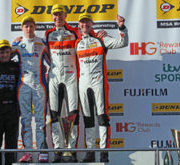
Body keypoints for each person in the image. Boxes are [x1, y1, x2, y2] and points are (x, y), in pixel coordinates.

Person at [75, 13, 129, 162]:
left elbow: (122, 43)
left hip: (98, 82)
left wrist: (121, 27)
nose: (85, 24)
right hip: (83, 84)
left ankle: (104, 152)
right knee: (88, 119)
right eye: (82, 22)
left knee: (102, 117)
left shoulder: (101, 38)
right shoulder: (76, 42)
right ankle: (90, 152)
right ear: (79, 25)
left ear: (92, 24)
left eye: (87, 22)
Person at [45, 4, 80, 162]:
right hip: (54, 77)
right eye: (55, 15)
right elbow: (37, 47)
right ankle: (58, 150)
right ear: (52, 17)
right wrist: (21, 42)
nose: (57, 17)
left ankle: (71, 150)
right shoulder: (47, 34)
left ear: (65, 15)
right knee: (54, 114)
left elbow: (87, 37)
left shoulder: (74, 32)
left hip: (71, 76)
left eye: (60, 14)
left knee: (73, 114)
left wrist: (100, 33)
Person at [12, 16, 50, 163]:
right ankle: (27, 153)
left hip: (40, 85)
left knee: (40, 120)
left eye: (31, 26)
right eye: (26, 26)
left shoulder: (42, 43)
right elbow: (3, 56)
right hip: (23, 86)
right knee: (26, 120)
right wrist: (14, 43)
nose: (28, 29)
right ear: (22, 28)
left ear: (35, 28)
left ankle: (42, 152)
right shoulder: (18, 44)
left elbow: (52, 62)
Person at [0, 39, 20, 165]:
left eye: (7, 52)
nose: (4, 54)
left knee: (11, 142)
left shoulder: (17, 66)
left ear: (11, 52)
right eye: (1, 52)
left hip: (12, 108)